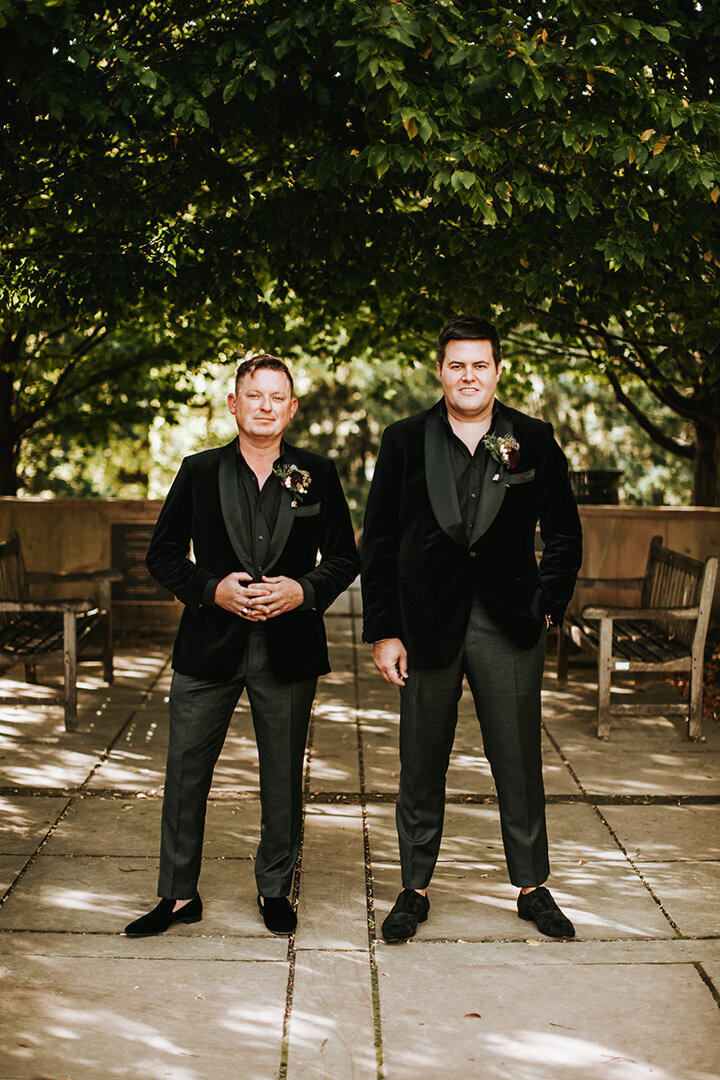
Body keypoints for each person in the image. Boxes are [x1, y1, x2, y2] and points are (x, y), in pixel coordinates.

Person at [361, 315, 582, 942]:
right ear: (440, 370)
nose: (467, 375)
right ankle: (413, 888)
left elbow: (564, 532)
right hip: (424, 626)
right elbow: (378, 542)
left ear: (497, 370)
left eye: (479, 364)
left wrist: (547, 603)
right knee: (420, 762)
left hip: (509, 624)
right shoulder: (404, 440)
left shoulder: (532, 440)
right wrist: (384, 631)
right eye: (456, 364)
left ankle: (532, 886)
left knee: (518, 760)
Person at [124, 354, 359, 938]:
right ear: (234, 403)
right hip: (210, 646)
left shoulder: (318, 472)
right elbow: (163, 554)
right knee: (185, 773)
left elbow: (348, 558)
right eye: (254, 395)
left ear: (291, 408)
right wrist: (211, 590)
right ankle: (178, 896)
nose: (265, 406)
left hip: (288, 648)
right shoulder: (198, 471)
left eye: (277, 397)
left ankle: (274, 889)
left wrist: (303, 591)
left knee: (282, 776)